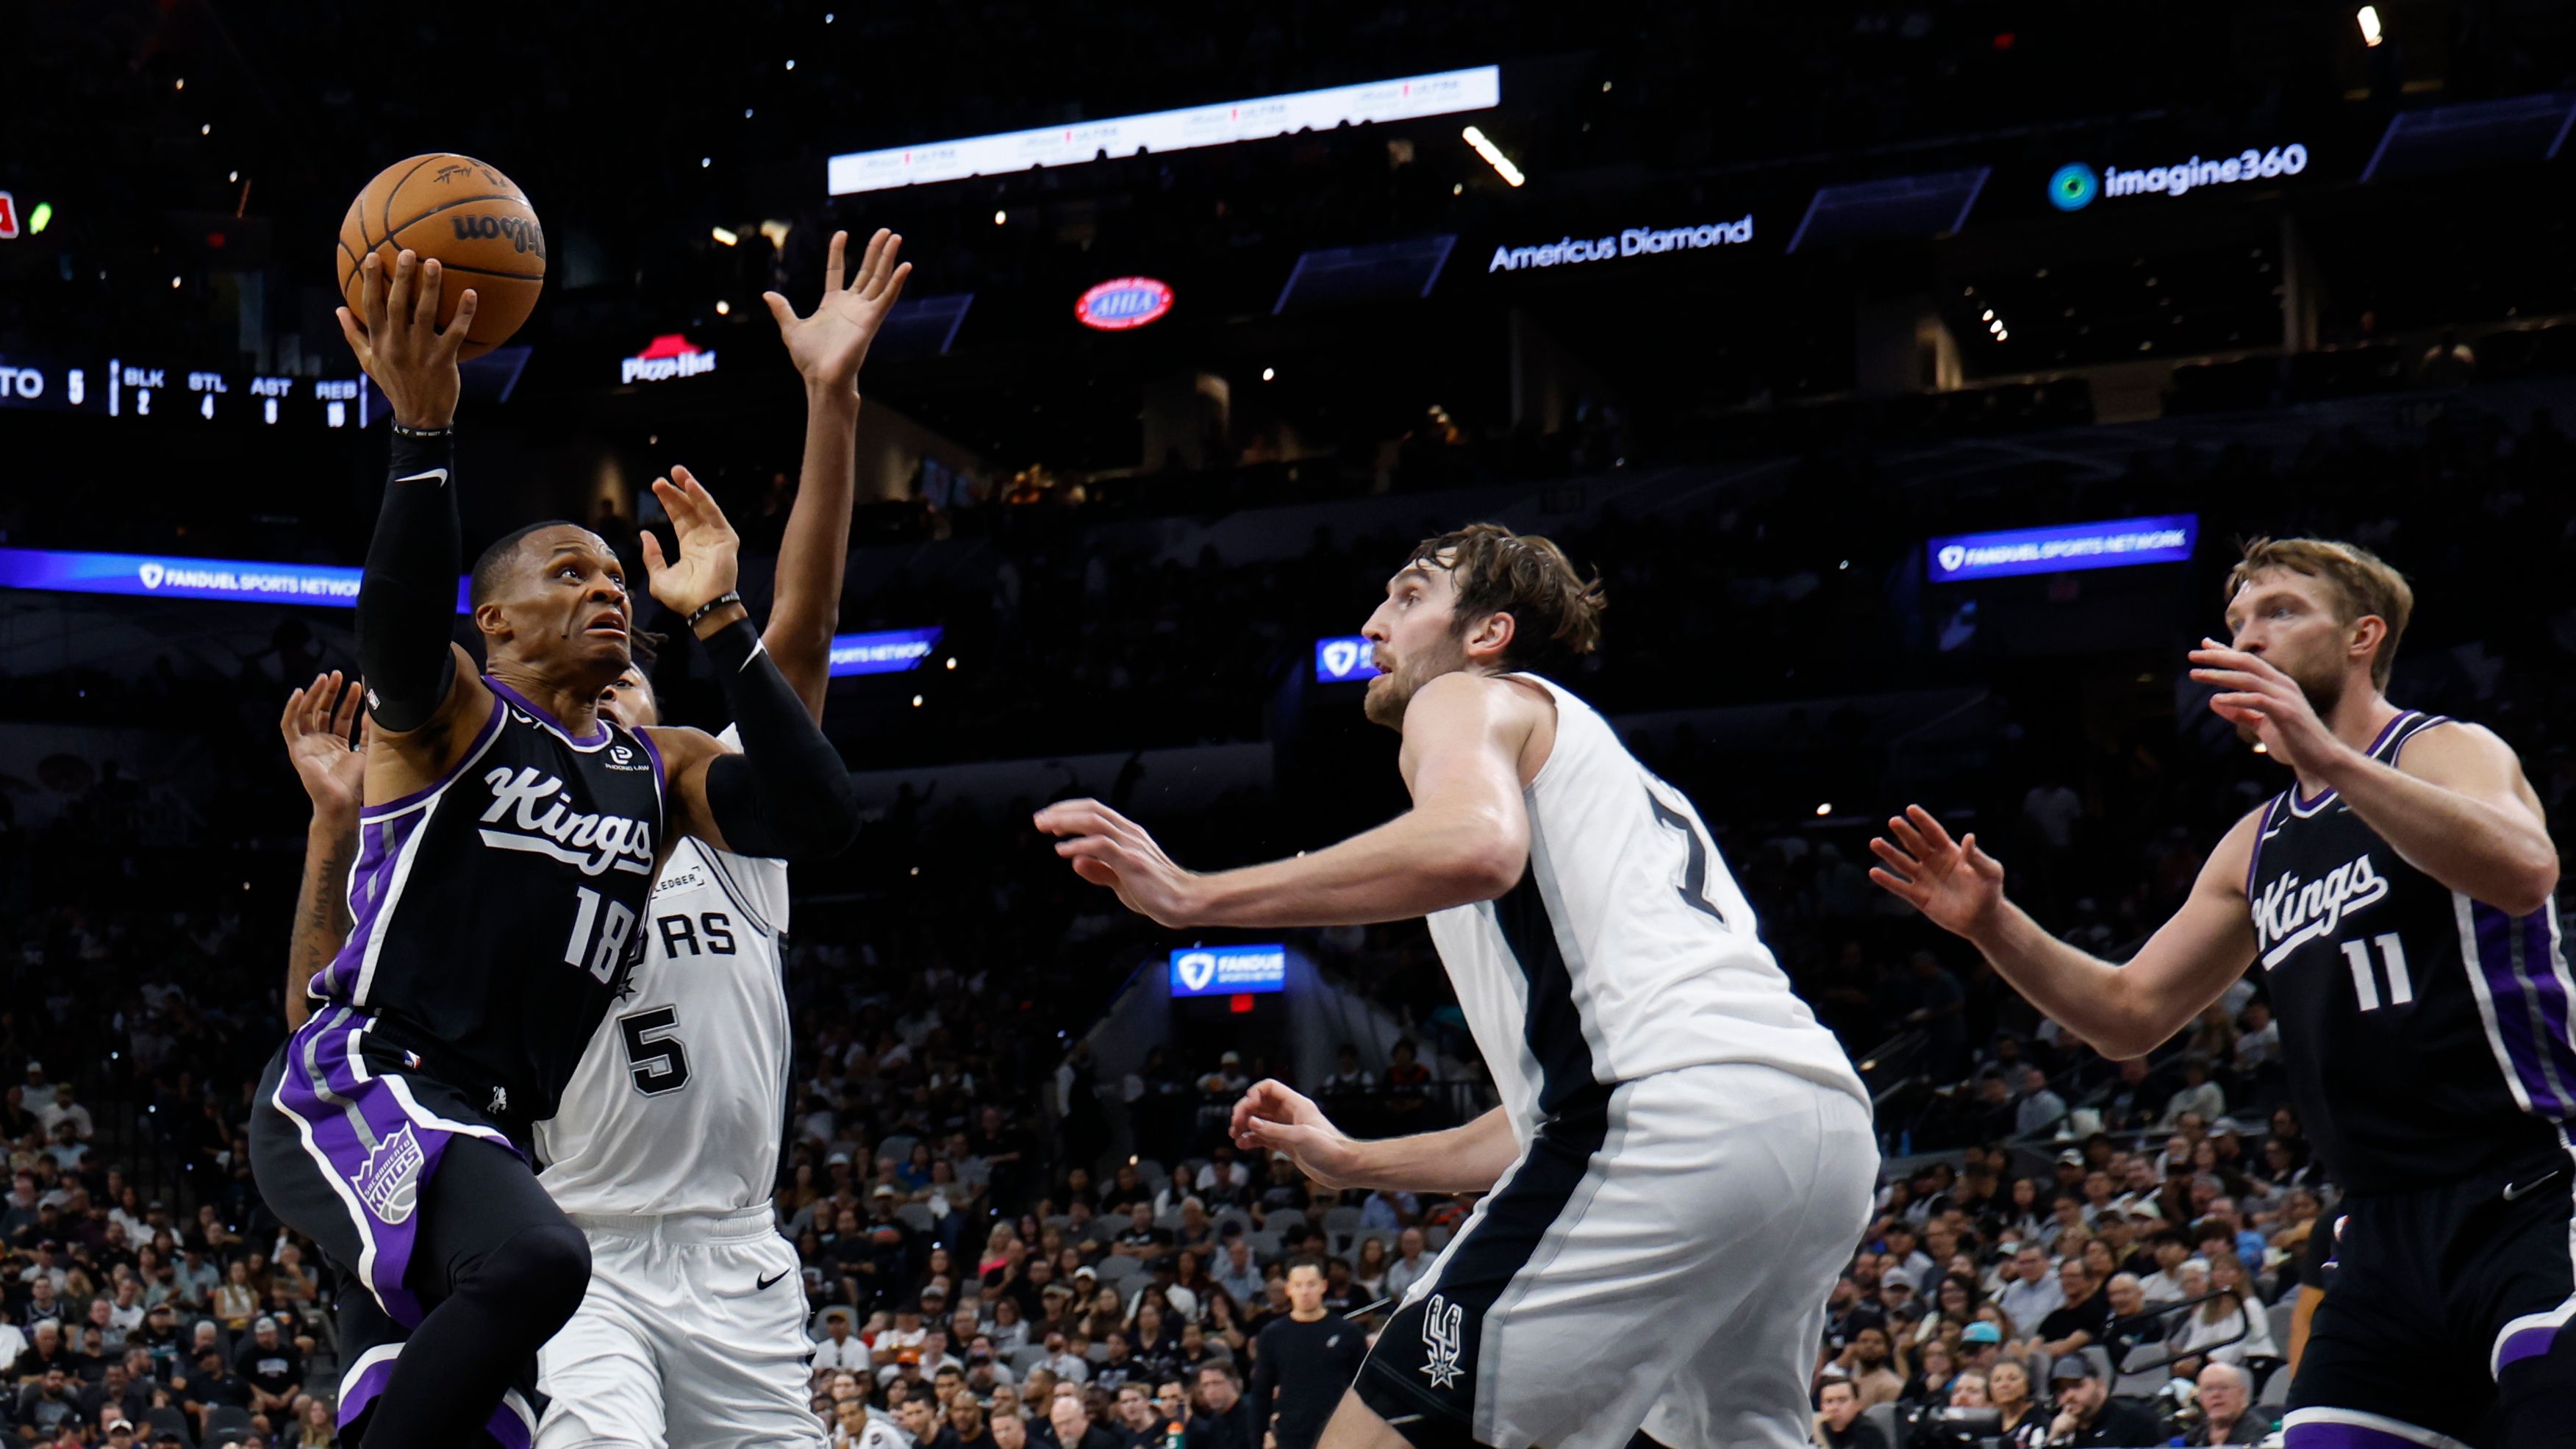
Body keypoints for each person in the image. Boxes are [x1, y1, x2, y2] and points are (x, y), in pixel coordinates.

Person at [1041, 524, 1876, 1449]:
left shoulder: (1466, 698)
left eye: (1407, 596)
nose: (1372, 623)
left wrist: (1195, 897)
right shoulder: (1631, 795)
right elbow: (1547, 1122)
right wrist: (1358, 1160)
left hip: (1674, 1123)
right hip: (1820, 1129)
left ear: (1486, 634)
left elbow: (1477, 847)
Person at [248, 246, 862, 1449]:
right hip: (434, 1124)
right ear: (498, 621)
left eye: (612, 576)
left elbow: (820, 806)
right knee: (541, 1259)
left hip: (531, 1162)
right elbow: (401, 641)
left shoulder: (665, 776)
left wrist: (719, 612)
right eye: (568, 572)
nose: (606, 591)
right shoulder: (460, 720)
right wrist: (422, 439)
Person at [1872, 536, 2574, 1447]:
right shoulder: (2256, 842)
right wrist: (1991, 926)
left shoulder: (2443, 748)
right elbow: (2129, 1018)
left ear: (2364, 636)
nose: (2249, 637)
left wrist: (2330, 757)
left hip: (2528, 1184)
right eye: (2236, 621)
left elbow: (2526, 870)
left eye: (2280, 612)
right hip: (2379, 1232)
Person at [1245, 1262, 1365, 1449]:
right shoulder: (1272, 1334)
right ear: (1288, 1290)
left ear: (1323, 1286)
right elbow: (1261, 1393)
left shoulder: (1348, 1332)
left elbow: (1363, 1389)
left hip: (1340, 1435)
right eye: (1298, 1285)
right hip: (1291, 1436)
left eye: (1311, 1284)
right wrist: (1257, 1441)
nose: (1305, 1291)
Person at [2040, 1351, 2163, 1448]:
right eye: (2062, 1391)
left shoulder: (2137, 1420)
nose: (2069, 1396)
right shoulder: (2059, 1428)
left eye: (2077, 1385)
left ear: (2100, 1385)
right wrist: (2052, 1439)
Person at [2189, 1362, 2264, 1445]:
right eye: (2209, 1389)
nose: (2216, 1394)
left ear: (2241, 1394)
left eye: (2224, 1387)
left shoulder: (2260, 1435)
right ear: (2201, 1398)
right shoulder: (2195, 1436)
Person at [1811, 1380, 1885, 1449]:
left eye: (1842, 1400)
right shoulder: (1823, 1427)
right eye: (1829, 1401)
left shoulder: (1868, 1433)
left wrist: (1819, 1435)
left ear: (1858, 1404)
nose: (1834, 1408)